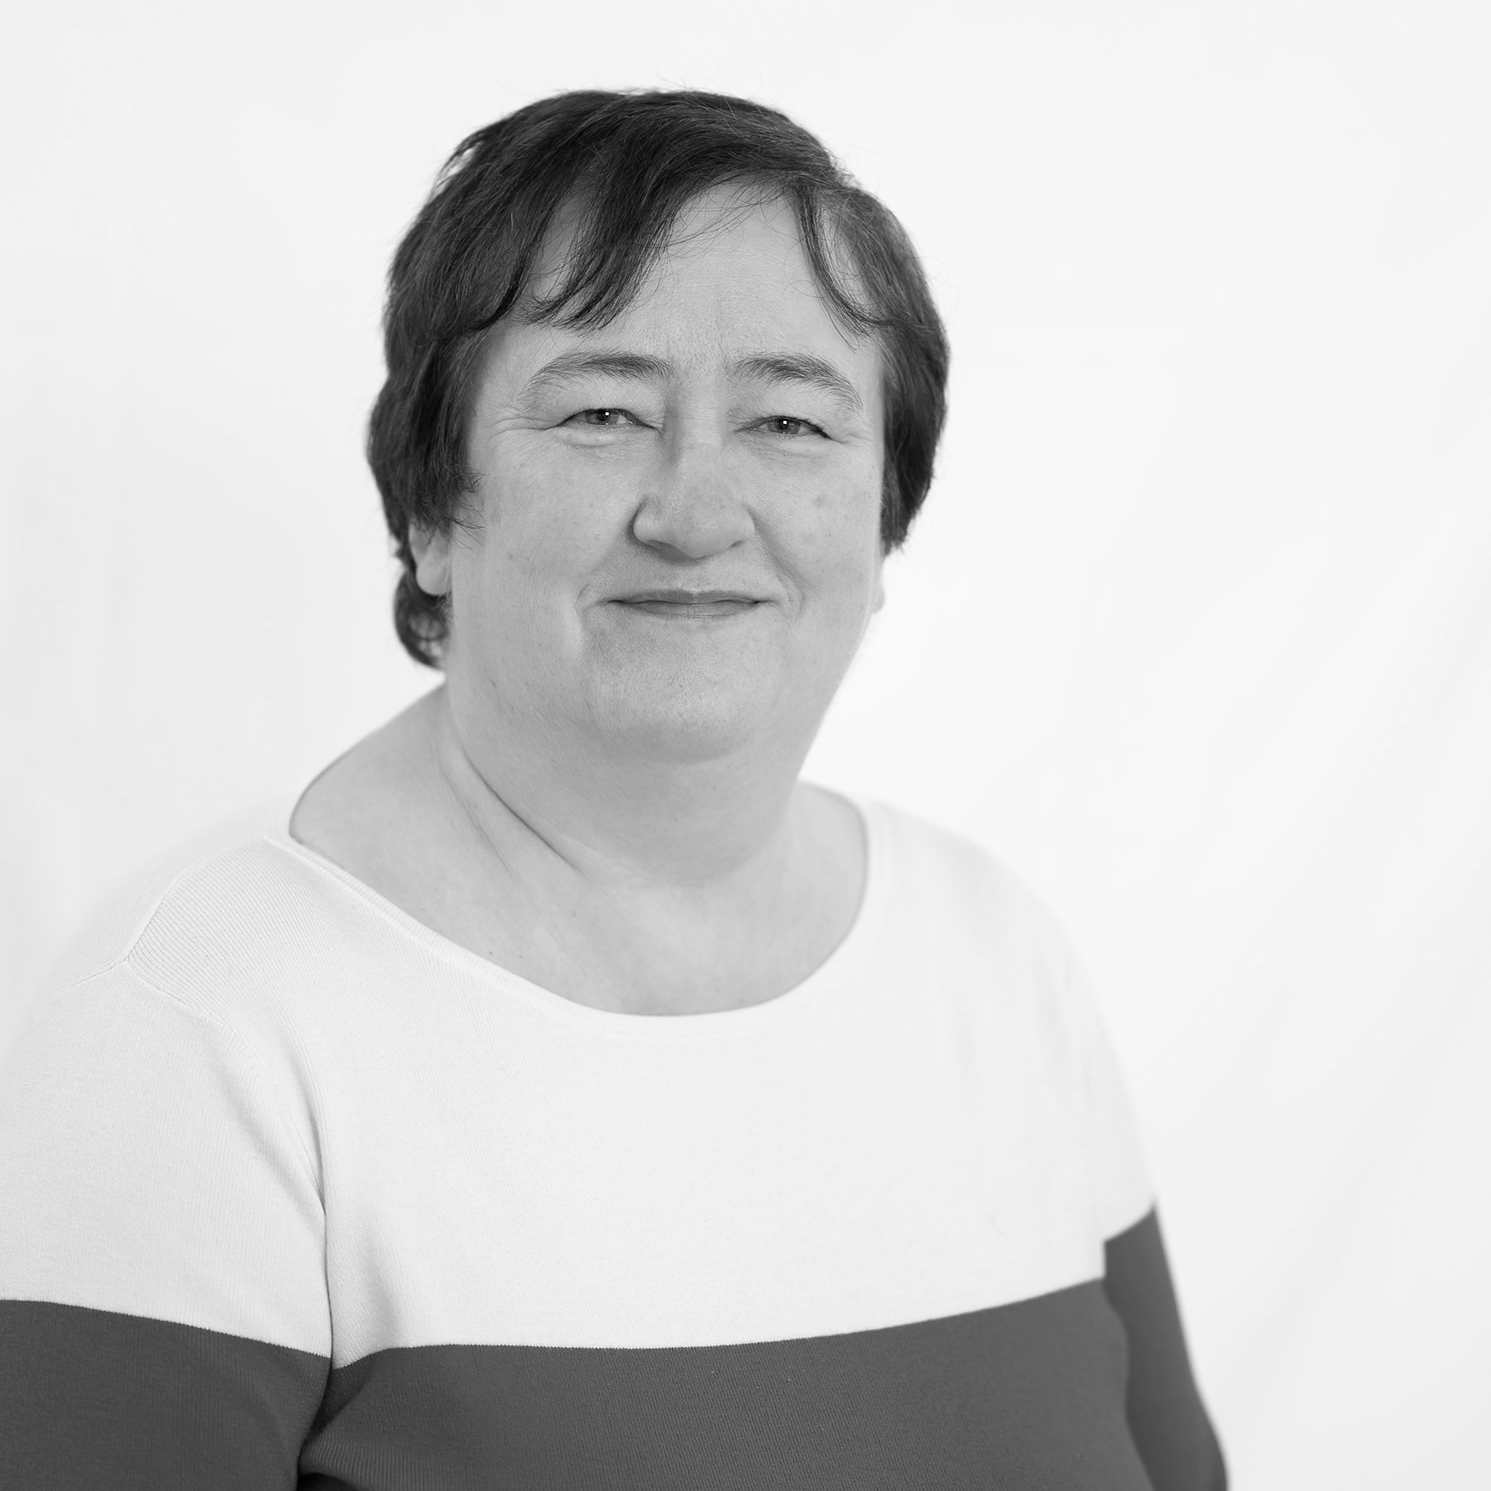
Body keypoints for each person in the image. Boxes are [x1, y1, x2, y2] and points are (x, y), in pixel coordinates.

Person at [0, 89, 1227, 1488]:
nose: (696, 511)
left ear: (884, 521)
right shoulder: (198, 1031)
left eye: (788, 420)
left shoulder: (995, 957)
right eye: (599, 410)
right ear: (428, 509)